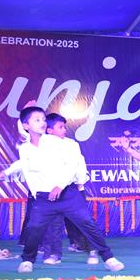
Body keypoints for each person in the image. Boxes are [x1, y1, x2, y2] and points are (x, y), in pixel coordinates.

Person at [0, 106, 124, 273]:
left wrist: (60, 185)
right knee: (33, 228)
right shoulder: (25, 148)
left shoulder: (57, 143)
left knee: (87, 223)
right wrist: (3, 174)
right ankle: (27, 261)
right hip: (43, 199)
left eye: (43, 119)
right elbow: (22, 164)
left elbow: (73, 163)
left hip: (68, 194)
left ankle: (109, 258)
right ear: (26, 125)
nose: (42, 122)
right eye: (36, 120)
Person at [40, 114, 96, 266]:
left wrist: (80, 182)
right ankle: (54, 254)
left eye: (64, 127)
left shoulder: (71, 144)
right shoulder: (41, 144)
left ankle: (92, 249)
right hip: (50, 189)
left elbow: (78, 164)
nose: (64, 130)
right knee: (53, 223)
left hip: (71, 187)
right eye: (60, 127)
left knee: (82, 220)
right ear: (49, 130)